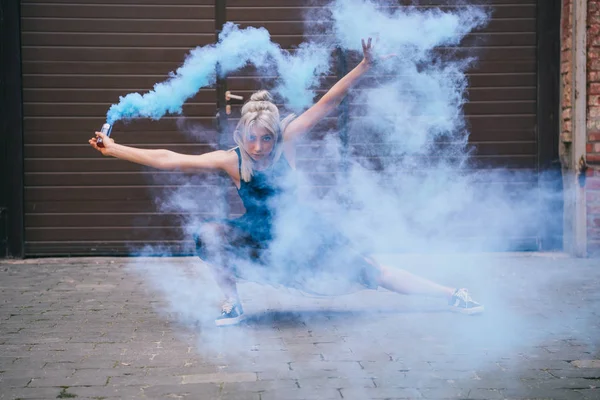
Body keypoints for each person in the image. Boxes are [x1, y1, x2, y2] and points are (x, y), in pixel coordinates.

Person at [89, 38, 484, 326]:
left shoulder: (287, 143)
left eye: (267, 138)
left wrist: (363, 66)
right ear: (241, 134)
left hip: (305, 233)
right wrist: (114, 149)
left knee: (372, 272)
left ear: (276, 135)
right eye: (252, 138)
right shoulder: (232, 160)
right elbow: (170, 159)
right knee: (209, 234)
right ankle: (232, 303)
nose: (259, 146)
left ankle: (452, 295)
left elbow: (326, 102)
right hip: (259, 236)